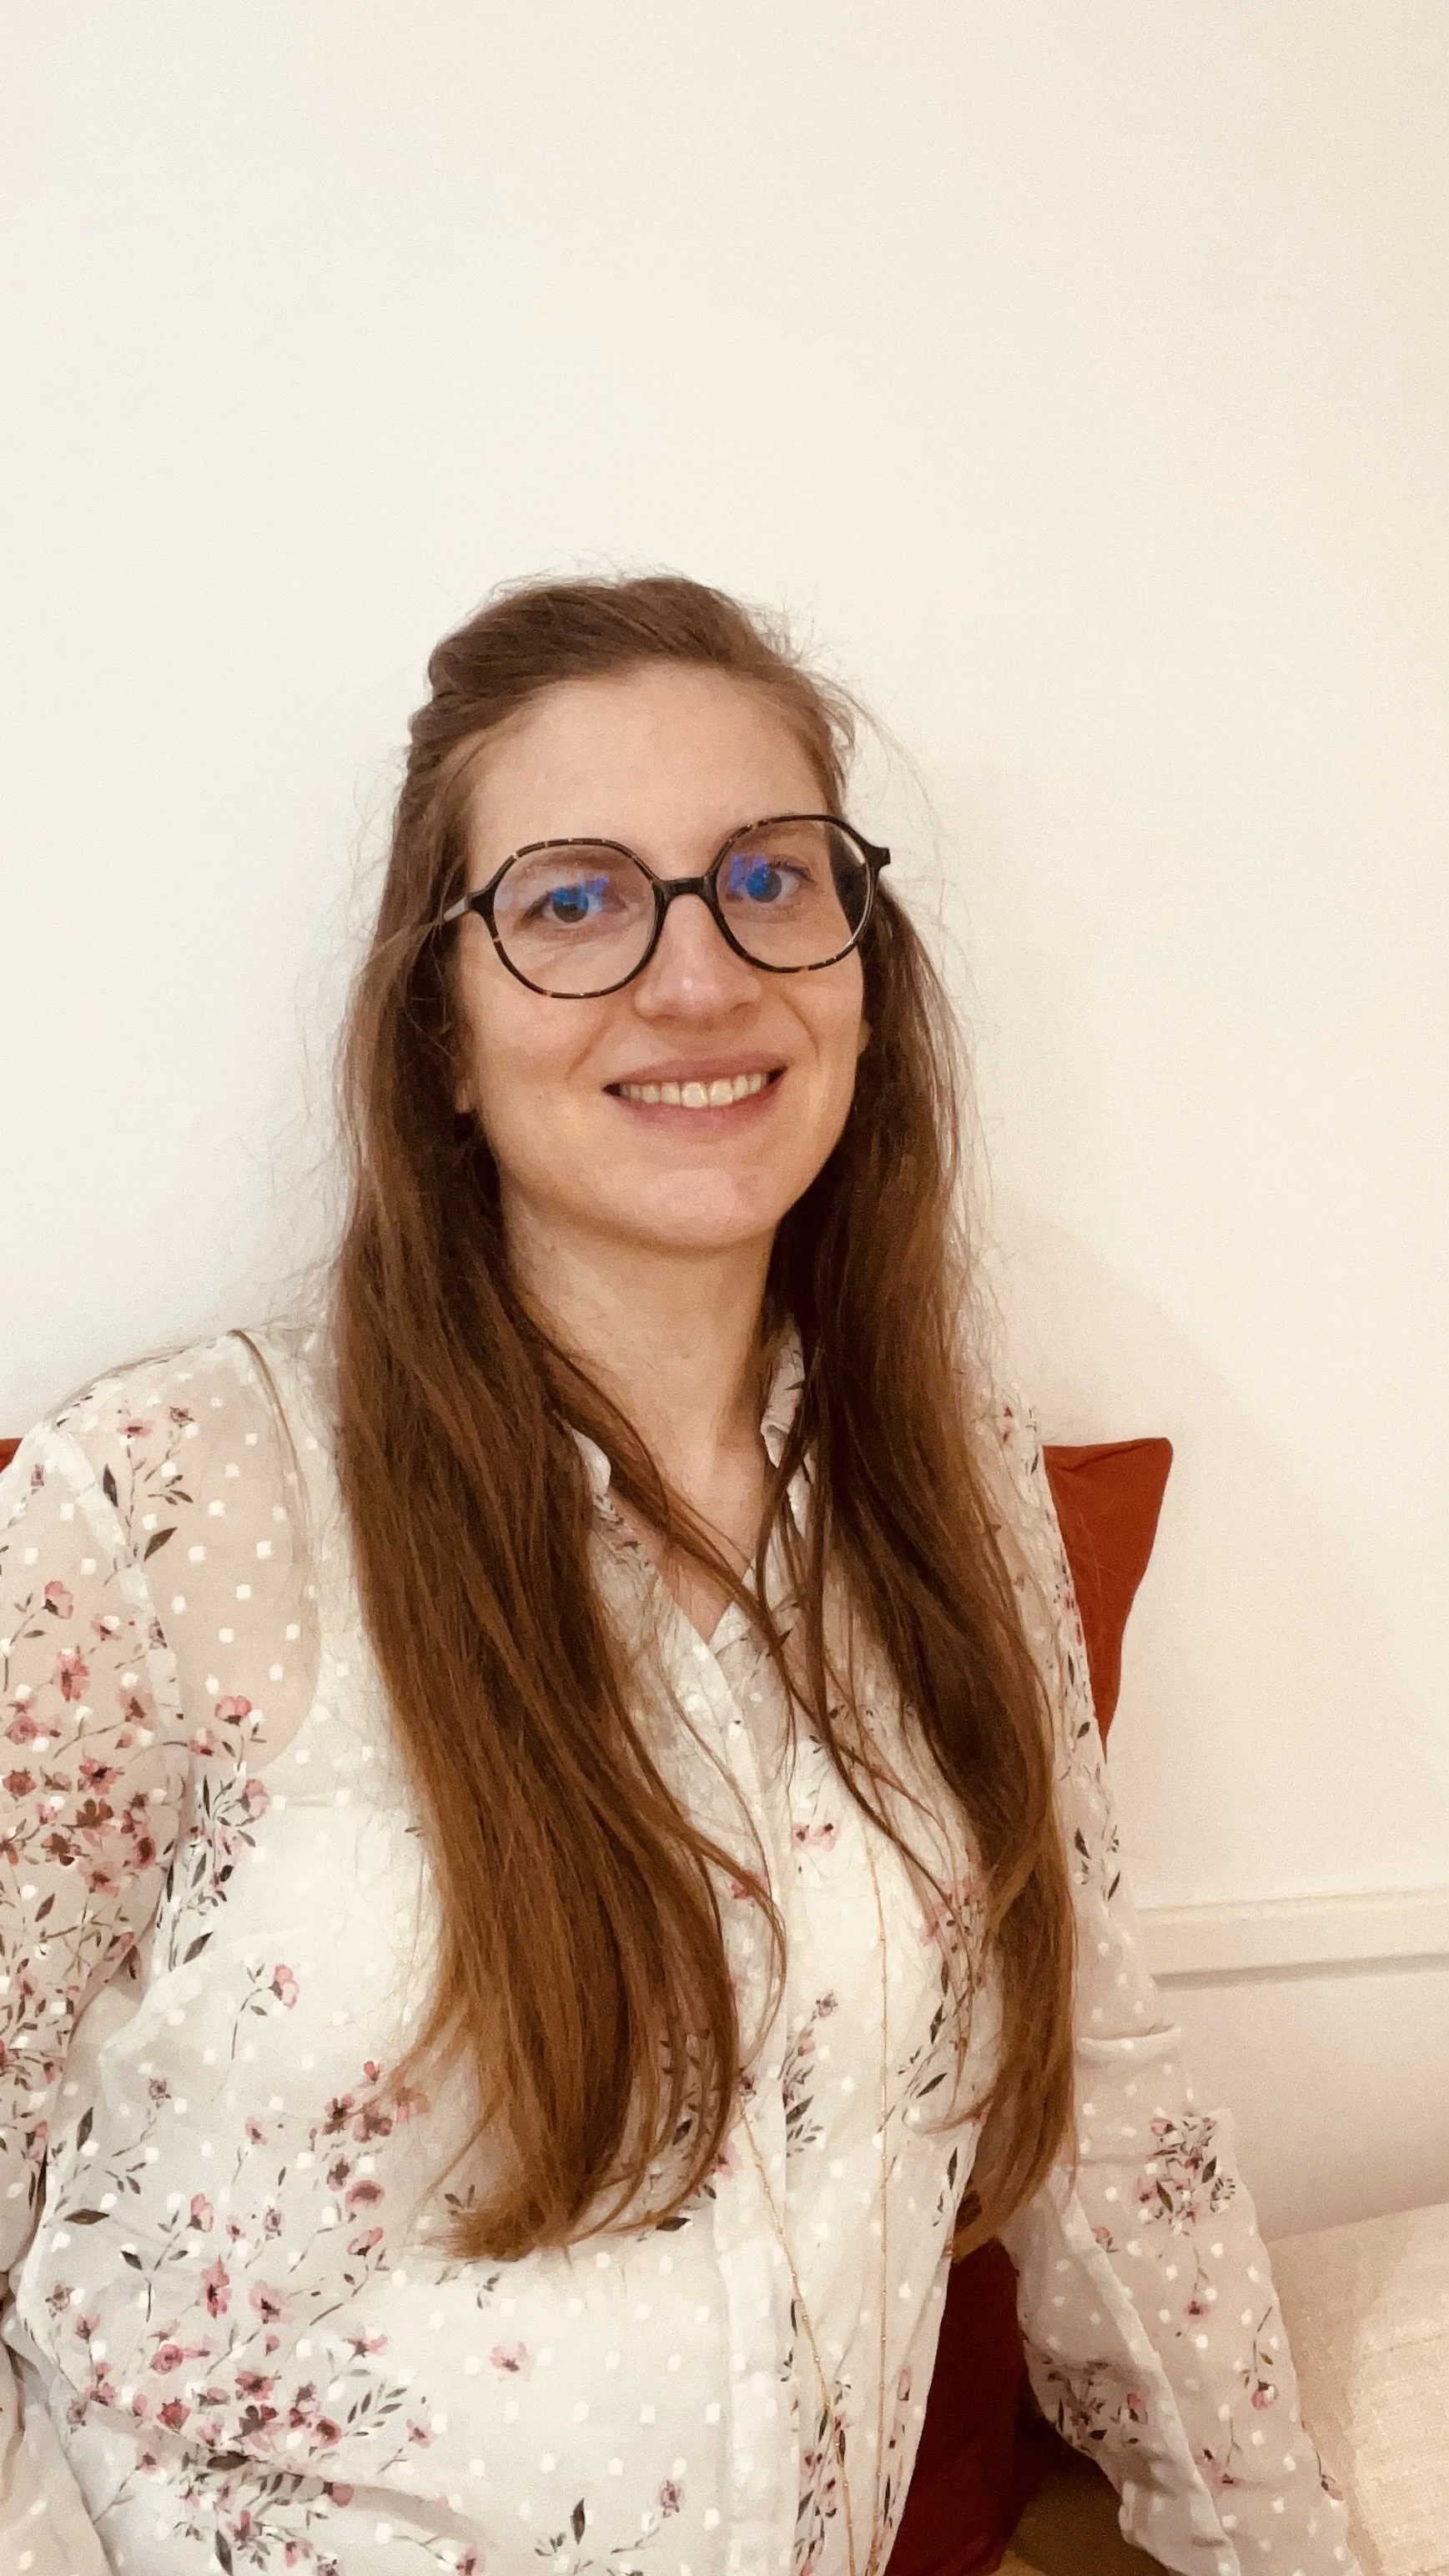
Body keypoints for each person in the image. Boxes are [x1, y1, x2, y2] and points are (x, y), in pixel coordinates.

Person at [0, 575, 1357, 2576]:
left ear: (860, 971)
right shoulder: (160, 1506)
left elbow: (1107, 2132)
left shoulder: (965, 1507)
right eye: (570, 901)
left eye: (766, 878)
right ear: (440, 1036)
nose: (699, 974)